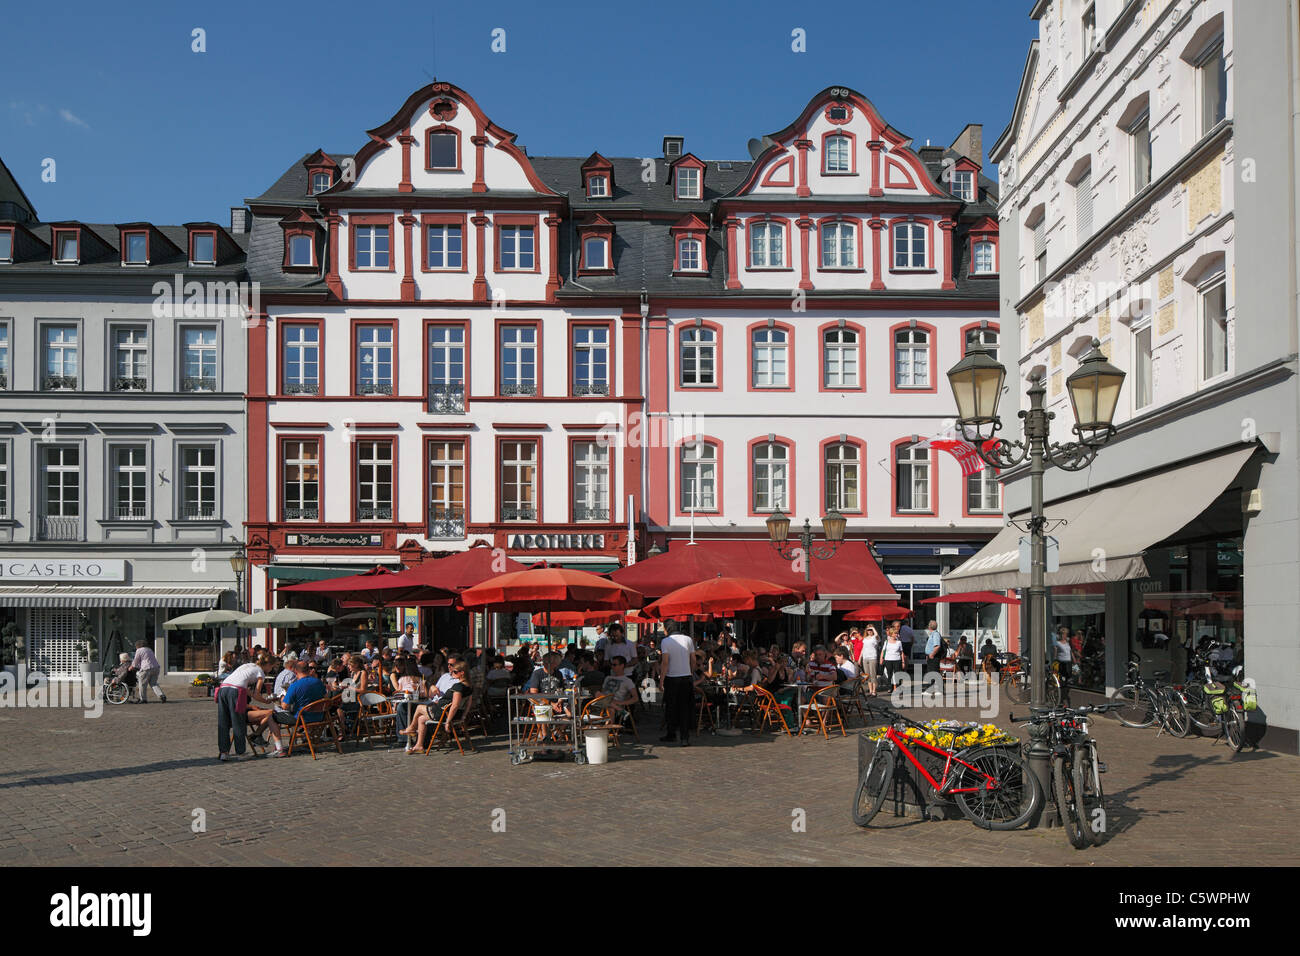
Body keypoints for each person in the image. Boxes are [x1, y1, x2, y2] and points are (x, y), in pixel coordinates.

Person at [405, 662, 471, 753]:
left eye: (455, 672)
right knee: (421, 719)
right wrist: (463, 716)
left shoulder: (458, 687)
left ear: (462, 673)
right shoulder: (469, 686)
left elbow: (455, 706)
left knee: (419, 707)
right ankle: (419, 745)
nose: (452, 674)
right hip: (452, 714)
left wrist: (448, 721)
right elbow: (468, 704)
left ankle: (411, 728)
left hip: (443, 714)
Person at [217, 655, 273, 761]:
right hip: (235, 692)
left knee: (223, 722)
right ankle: (240, 753)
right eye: (272, 667)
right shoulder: (260, 672)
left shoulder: (248, 665)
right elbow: (256, 694)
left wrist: (252, 695)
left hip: (223, 688)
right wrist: (267, 701)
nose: (271, 670)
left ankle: (223, 752)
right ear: (268, 665)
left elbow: (244, 686)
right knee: (238, 721)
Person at [267, 661, 326, 756]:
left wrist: (281, 698)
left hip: (302, 718)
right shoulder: (318, 682)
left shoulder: (295, 686)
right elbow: (325, 697)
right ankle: (308, 740)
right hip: (320, 716)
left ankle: (279, 749)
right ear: (308, 670)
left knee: (271, 717)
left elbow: (285, 706)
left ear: (295, 671)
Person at [658, 620, 696, 747]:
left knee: (671, 707)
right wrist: (690, 672)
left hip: (672, 678)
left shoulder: (666, 641)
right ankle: (685, 737)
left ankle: (671, 733)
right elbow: (693, 659)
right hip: (686, 677)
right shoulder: (688, 639)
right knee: (684, 708)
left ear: (667, 629)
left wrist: (661, 680)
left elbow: (665, 662)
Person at [600, 656, 640, 724]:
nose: (612, 667)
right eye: (611, 664)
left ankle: (609, 731)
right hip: (603, 701)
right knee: (597, 693)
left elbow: (635, 698)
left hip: (615, 703)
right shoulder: (608, 678)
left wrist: (621, 703)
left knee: (611, 709)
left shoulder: (627, 681)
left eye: (614, 665)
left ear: (622, 666)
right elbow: (602, 692)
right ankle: (621, 711)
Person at [858, 625, 881, 696]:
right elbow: (863, 648)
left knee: (873, 674)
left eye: (870, 630)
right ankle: (870, 691)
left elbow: (876, 635)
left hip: (872, 657)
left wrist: (873, 628)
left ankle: (874, 691)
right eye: (868, 630)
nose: (869, 631)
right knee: (867, 675)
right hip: (865, 657)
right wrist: (860, 658)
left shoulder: (875, 637)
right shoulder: (865, 638)